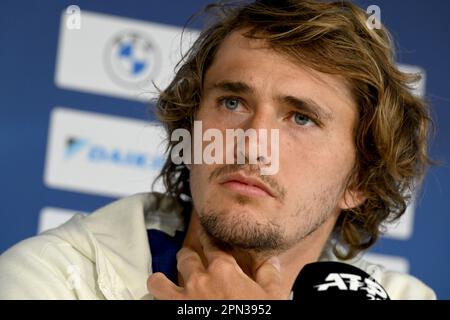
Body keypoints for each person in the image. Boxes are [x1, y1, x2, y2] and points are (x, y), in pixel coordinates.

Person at [0, 0, 436, 300]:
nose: (251, 144)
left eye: (300, 117)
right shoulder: (54, 279)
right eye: (232, 103)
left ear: (359, 179)